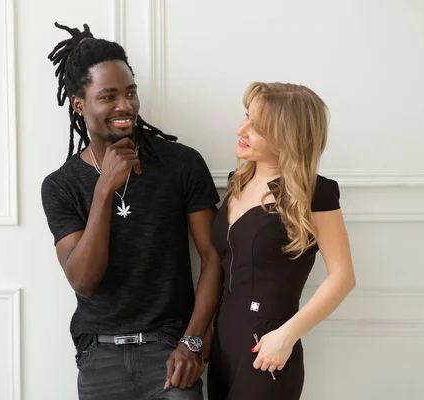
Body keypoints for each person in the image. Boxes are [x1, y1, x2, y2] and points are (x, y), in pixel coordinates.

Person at [41, 23, 223, 399]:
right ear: (80, 103)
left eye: (130, 93)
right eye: (108, 96)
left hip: (171, 354)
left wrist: (192, 341)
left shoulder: (182, 164)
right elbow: (84, 281)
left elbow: (213, 256)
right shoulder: (61, 185)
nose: (125, 106)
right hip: (100, 358)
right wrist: (104, 188)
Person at [206, 82, 356, 400]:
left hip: (266, 346)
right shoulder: (238, 182)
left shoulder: (315, 193)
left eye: (256, 127)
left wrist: (286, 336)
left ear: (287, 136)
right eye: (246, 116)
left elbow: (343, 277)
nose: (241, 129)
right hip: (222, 344)